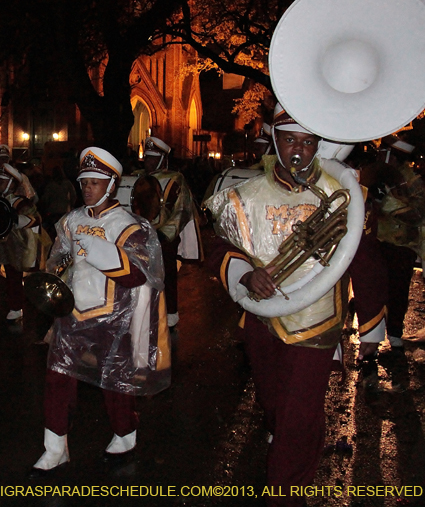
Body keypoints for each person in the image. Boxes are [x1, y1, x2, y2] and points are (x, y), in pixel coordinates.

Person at [204, 104, 386, 506]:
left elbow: (366, 258)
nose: (299, 150)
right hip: (261, 323)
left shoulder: (344, 195)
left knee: (299, 416)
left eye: (308, 141)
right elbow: (219, 246)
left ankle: (287, 494)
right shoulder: (245, 195)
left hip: (317, 321)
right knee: (274, 405)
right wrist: (246, 275)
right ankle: (285, 446)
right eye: (290, 140)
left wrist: (373, 326)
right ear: (275, 140)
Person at [29, 147, 170, 477]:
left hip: (115, 317)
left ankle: (125, 433)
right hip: (72, 314)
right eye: (85, 182)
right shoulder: (72, 220)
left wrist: (100, 251)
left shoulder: (131, 226)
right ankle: (54, 447)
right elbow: (58, 262)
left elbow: (140, 275)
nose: (88, 188)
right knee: (57, 379)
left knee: (115, 384)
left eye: (95, 182)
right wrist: (56, 277)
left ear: (111, 185)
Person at [362, 137, 425, 349]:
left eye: (385, 152)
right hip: (376, 241)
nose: (381, 155)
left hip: (402, 245)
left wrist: (390, 202)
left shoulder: (412, 182)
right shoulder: (374, 175)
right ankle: (371, 333)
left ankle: (394, 332)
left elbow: (422, 215)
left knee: (398, 289)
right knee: (373, 288)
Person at [136, 136, 203, 332]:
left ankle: (170, 313)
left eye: (151, 158)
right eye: (146, 158)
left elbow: (182, 210)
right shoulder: (137, 177)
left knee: (166, 276)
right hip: (138, 234)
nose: (147, 162)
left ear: (161, 159)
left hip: (164, 237)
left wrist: (166, 234)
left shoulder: (175, 179)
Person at [0, 163, 49, 322]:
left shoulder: (22, 203)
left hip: (16, 247)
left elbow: (36, 219)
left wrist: (14, 220)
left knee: (14, 278)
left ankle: (16, 308)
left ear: (11, 184)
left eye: (2, 181)